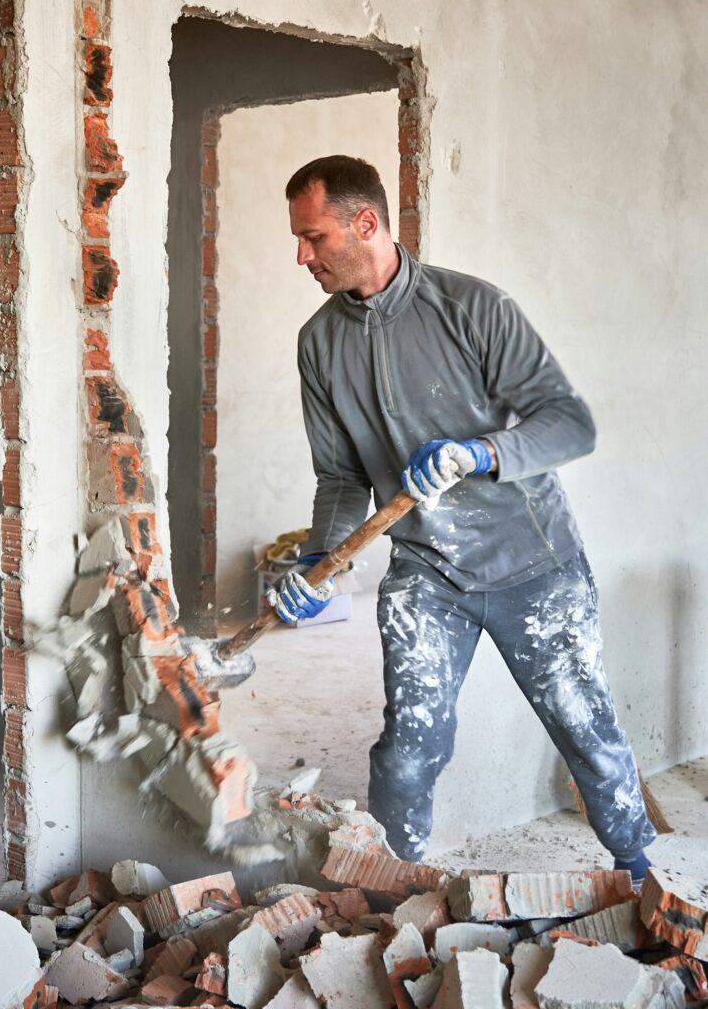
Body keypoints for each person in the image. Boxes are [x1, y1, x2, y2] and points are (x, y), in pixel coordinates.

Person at [266, 154, 655, 882]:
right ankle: (383, 891)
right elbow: (342, 476)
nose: (302, 255)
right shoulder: (319, 343)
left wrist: (479, 452)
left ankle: (639, 874)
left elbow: (571, 426)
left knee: (585, 729)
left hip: (532, 564)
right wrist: (316, 567)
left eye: (314, 237)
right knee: (409, 746)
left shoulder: (473, 308)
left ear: (367, 223)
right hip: (426, 573)